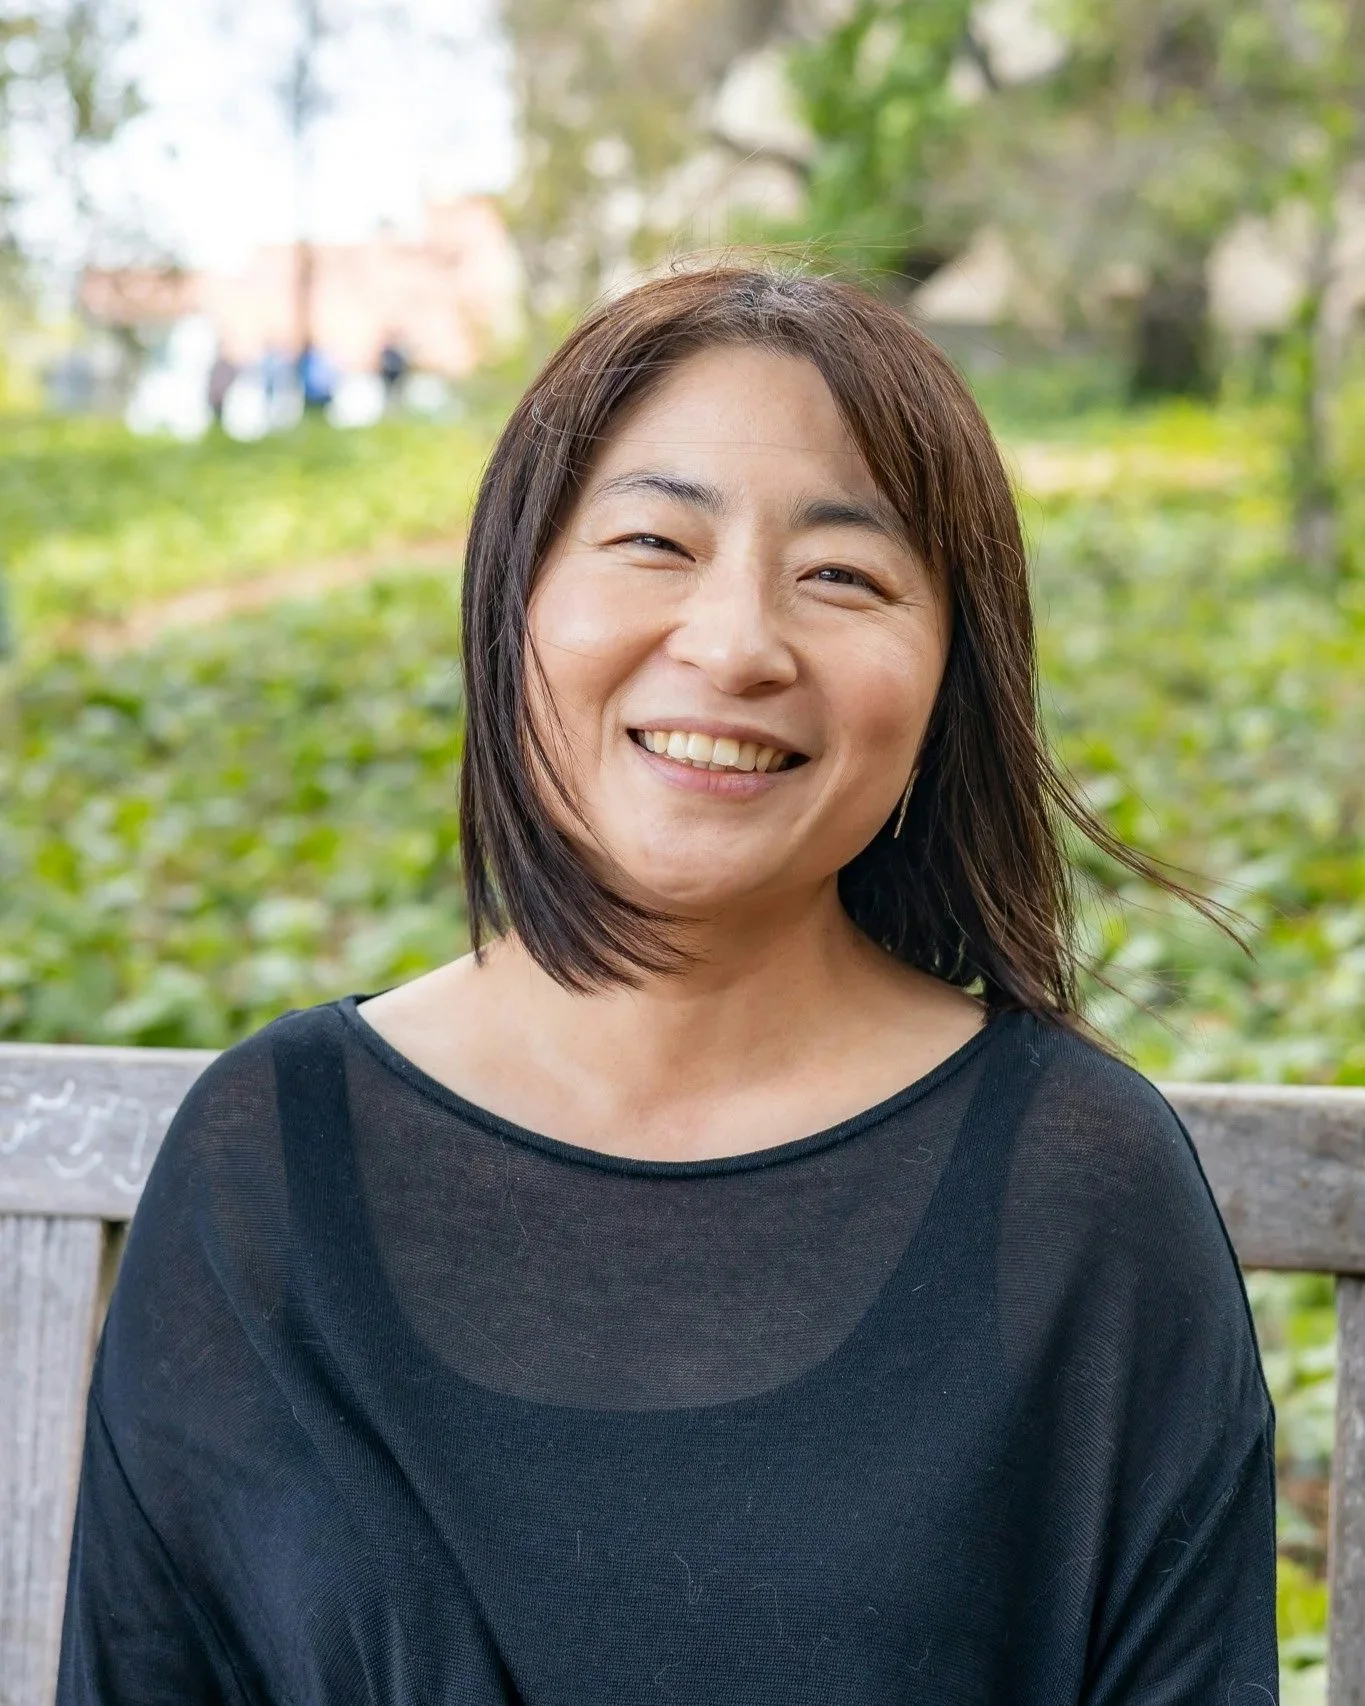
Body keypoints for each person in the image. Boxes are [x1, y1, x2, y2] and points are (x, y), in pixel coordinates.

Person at [56, 267, 1278, 1703]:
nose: (736, 642)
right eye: (653, 540)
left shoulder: (1081, 1192)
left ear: (952, 681)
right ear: (515, 596)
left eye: (842, 574)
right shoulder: (268, 1157)